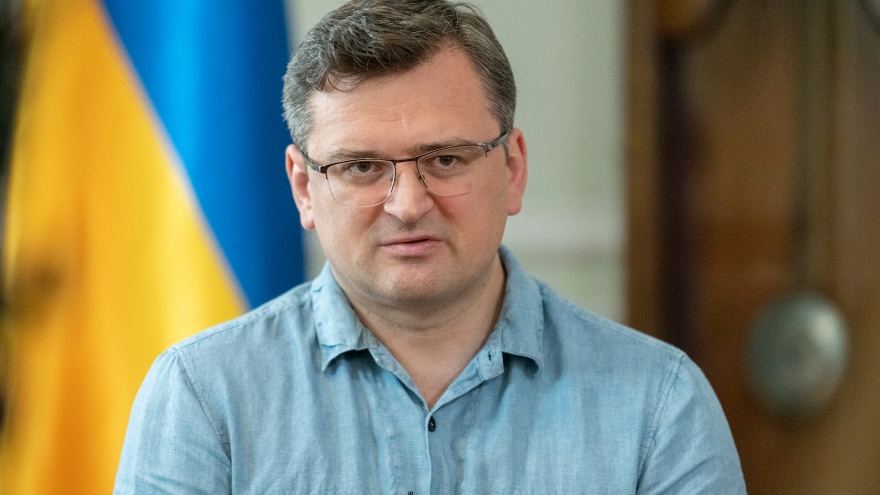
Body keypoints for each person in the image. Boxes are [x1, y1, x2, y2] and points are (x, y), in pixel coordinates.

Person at [114, 0, 746, 493]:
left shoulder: (658, 404)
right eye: (361, 167)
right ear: (304, 188)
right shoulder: (202, 396)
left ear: (513, 169)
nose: (408, 203)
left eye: (445, 158)